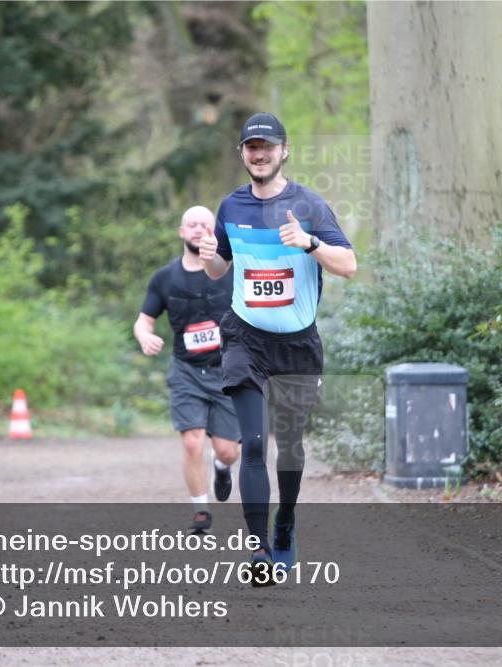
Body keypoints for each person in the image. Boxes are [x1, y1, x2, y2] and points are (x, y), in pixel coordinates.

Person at [198, 112, 357, 585]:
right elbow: (220, 269)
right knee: (253, 443)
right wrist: (210, 261)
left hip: (298, 346)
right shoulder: (231, 207)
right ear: (242, 154)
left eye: (267, 146)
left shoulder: (309, 204)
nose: (259, 153)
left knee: (289, 449)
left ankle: (285, 523)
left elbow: (348, 264)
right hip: (246, 338)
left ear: (284, 151)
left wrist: (308, 243)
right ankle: (260, 549)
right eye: (251, 147)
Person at [134, 205, 241, 533]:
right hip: (187, 371)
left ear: (214, 232)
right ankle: (200, 510)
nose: (197, 230)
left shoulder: (234, 272)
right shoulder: (165, 278)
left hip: (228, 370)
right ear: (182, 232)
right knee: (192, 442)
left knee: (227, 449)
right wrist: (145, 337)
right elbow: (143, 322)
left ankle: (221, 466)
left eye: (204, 225)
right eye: (191, 225)